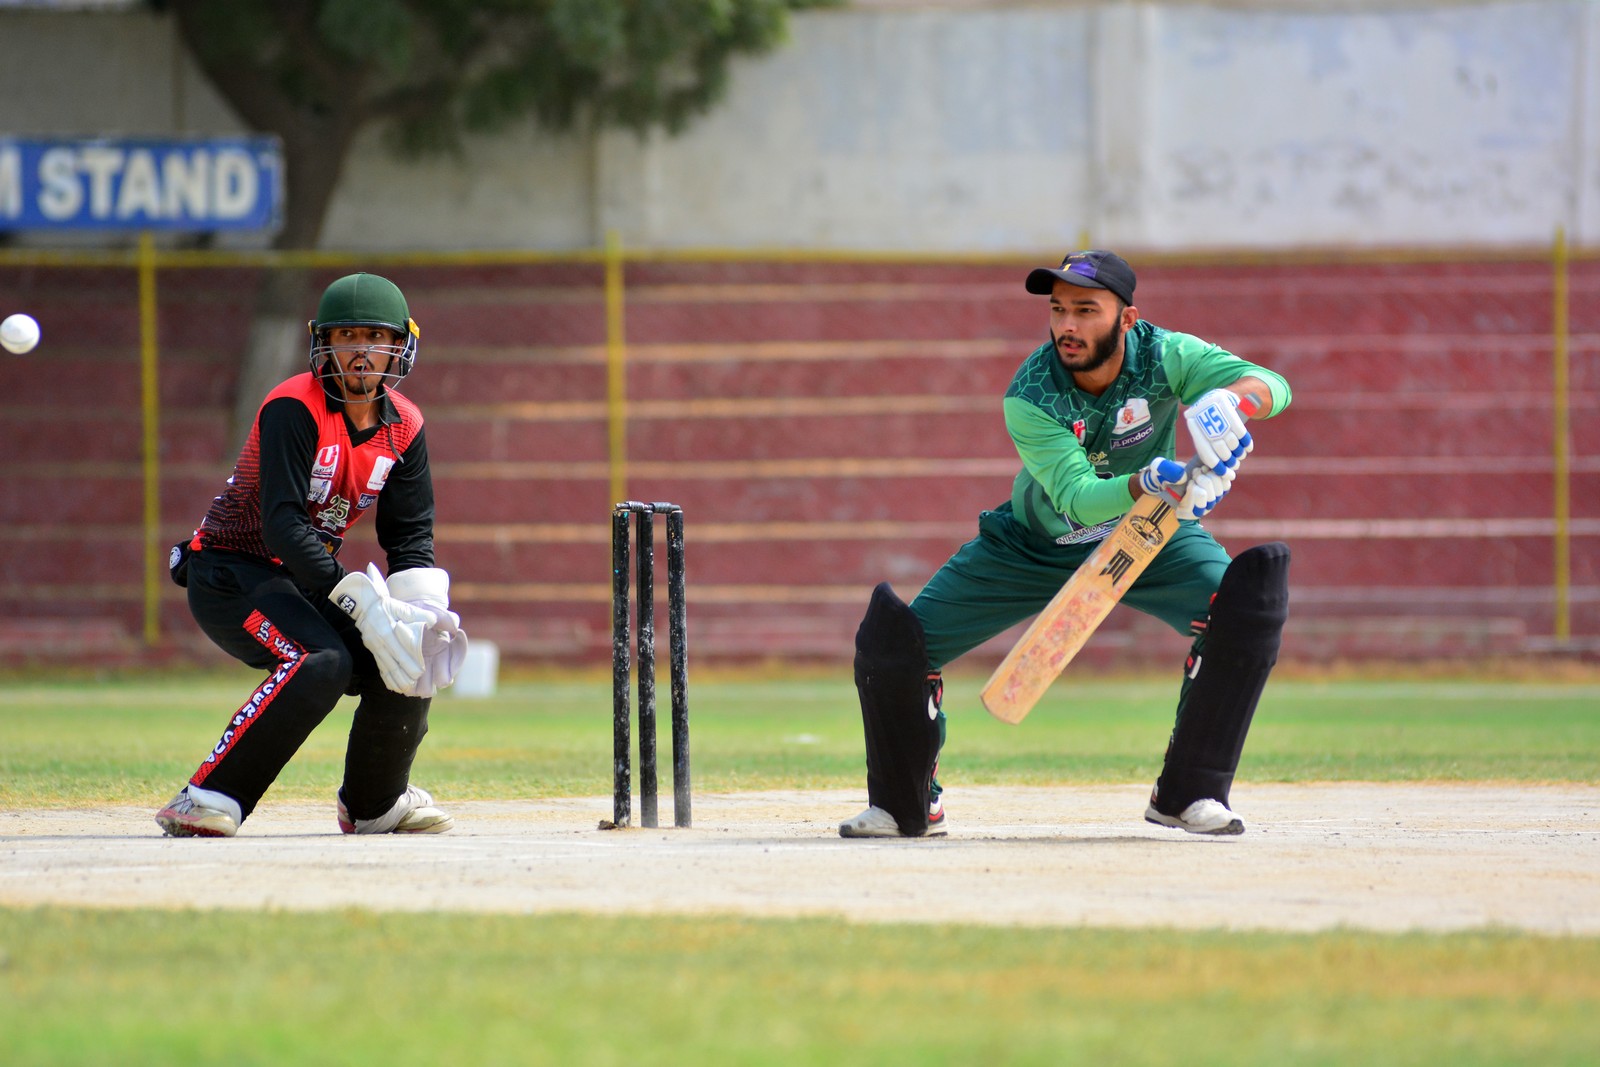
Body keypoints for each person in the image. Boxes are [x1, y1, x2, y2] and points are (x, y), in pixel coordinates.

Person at [840, 250, 1292, 839]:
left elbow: (1275, 385)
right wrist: (1151, 481)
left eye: (1085, 310)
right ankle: (905, 806)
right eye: (1058, 310)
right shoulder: (1031, 394)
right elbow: (1077, 498)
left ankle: (1188, 792)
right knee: (894, 647)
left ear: (1127, 319)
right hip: (1030, 546)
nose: (1067, 326)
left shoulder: (1166, 354)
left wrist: (1233, 402)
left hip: (1149, 536)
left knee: (1242, 611)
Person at [156, 272, 467, 838]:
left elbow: (410, 537)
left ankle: (375, 804)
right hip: (229, 570)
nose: (361, 351)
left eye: (376, 336)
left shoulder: (406, 426)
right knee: (320, 660)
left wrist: (423, 613)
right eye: (347, 336)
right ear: (323, 342)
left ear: (401, 345)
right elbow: (282, 525)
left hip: (301, 580)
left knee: (407, 654)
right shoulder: (293, 406)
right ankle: (206, 797)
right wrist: (361, 603)